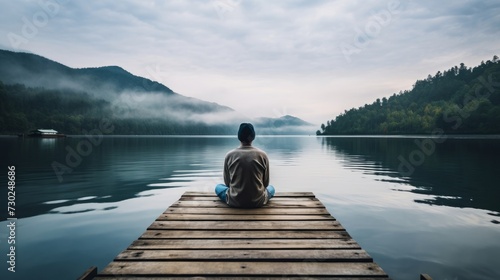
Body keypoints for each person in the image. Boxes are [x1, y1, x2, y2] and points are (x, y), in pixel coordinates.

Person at [215, 123, 275, 208]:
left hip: (235, 201)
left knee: (218, 187)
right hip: (258, 201)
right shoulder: (263, 155)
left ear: (239, 136)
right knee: (272, 188)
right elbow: (266, 184)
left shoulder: (229, 155)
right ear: (253, 136)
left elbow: (227, 183)